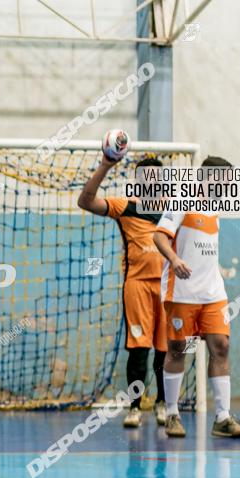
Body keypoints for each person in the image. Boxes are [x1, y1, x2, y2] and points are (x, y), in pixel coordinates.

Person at [152, 156, 240, 438]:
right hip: (181, 291)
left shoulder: (216, 208)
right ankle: (171, 414)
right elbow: (159, 237)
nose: (228, 186)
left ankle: (222, 417)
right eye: (225, 181)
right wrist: (175, 259)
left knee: (221, 346)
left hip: (213, 293)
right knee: (178, 350)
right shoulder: (182, 200)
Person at [78, 156, 168, 428]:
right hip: (137, 287)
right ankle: (135, 407)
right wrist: (106, 165)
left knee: (166, 351)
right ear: (138, 180)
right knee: (139, 351)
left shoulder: (175, 211)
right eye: (145, 176)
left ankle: (164, 403)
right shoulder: (126, 206)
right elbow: (86, 201)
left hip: (169, 288)